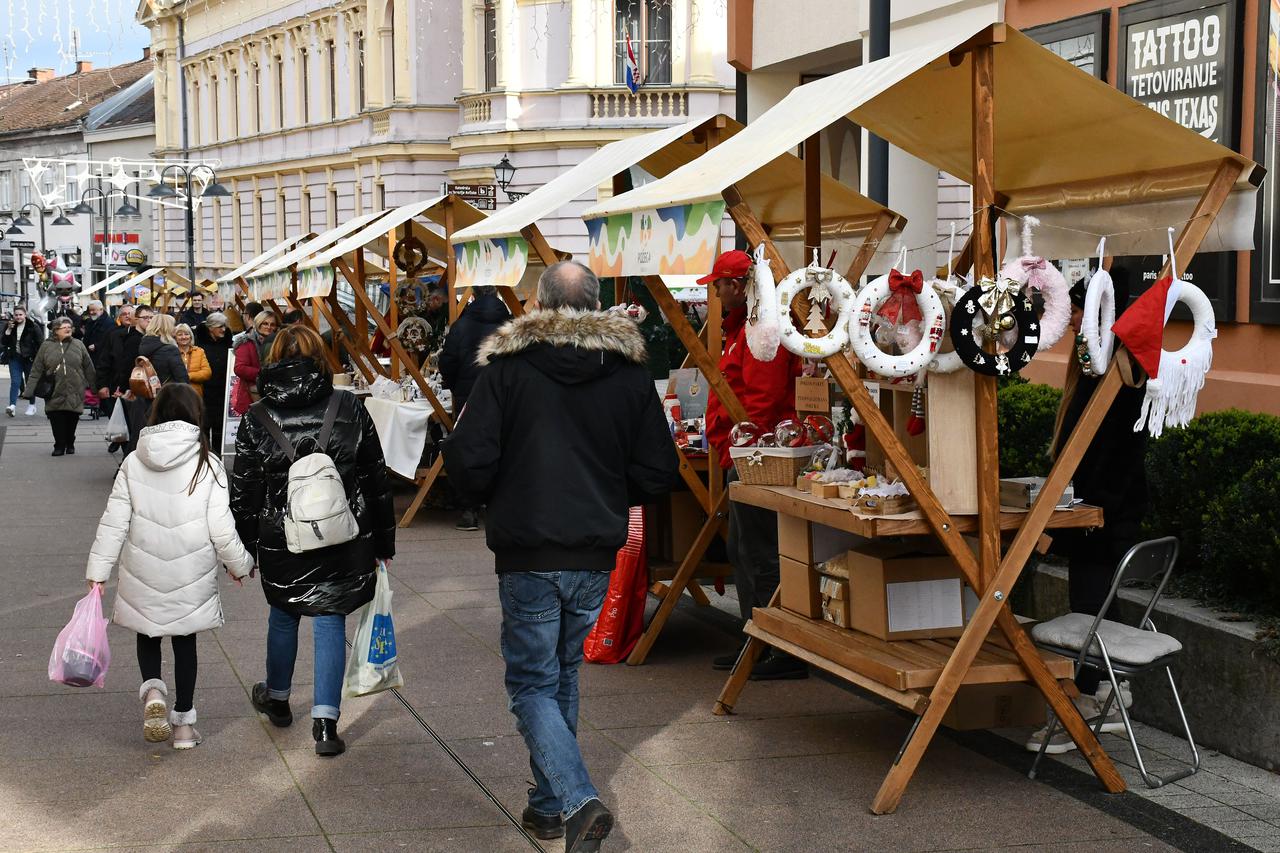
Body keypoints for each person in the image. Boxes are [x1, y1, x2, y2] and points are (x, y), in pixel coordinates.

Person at [442, 261, 678, 852]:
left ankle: (574, 801)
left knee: (531, 682)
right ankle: (550, 805)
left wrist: (488, 494)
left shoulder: (507, 371)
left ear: (539, 304)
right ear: (594, 304)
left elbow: (467, 459)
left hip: (528, 545)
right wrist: (607, 484)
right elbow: (659, 470)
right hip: (596, 544)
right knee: (561, 673)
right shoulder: (628, 375)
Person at [231, 325, 395, 757]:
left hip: (282, 534)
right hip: (342, 531)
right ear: (320, 358)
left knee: (284, 612)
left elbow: (244, 489)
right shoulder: (349, 406)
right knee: (330, 616)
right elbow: (376, 477)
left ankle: (279, 698)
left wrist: (247, 546)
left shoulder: (256, 416)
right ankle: (325, 724)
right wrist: (384, 542)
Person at [85, 383, 254, 749]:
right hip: (189, 569)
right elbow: (221, 527)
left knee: (147, 634)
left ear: (156, 413)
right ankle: (183, 727)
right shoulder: (207, 463)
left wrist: (98, 572)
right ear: (197, 415)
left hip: (143, 566)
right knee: (184, 641)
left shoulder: (133, 461)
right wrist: (239, 565)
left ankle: (153, 695)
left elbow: (114, 520)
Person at [1026, 267, 1144, 755]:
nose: (1071, 320)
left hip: (1104, 511)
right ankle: (1112, 696)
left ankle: (1094, 699)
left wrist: (1080, 504)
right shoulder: (1098, 368)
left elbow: (1112, 450)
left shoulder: (1122, 371)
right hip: (1096, 508)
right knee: (1096, 601)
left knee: (1089, 605)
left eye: (1076, 309)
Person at [702, 250, 805, 680]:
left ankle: (772, 644)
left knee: (758, 550)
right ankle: (757, 638)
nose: (715, 290)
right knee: (744, 549)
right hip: (746, 452)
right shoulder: (746, 327)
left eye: (720, 283)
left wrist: (748, 446)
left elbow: (761, 400)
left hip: (756, 456)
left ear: (738, 285)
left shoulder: (761, 331)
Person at [438, 286, 510, 531]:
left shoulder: (461, 325)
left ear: (474, 296)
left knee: (469, 447)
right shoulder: (511, 323)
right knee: (505, 445)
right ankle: (500, 504)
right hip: (505, 393)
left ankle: (469, 509)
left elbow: (447, 362)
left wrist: (454, 385)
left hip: (468, 395)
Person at [22, 317, 95, 456]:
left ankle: (70, 441)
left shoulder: (78, 344)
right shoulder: (46, 346)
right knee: (56, 418)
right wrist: (29, 391)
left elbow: (88, 367)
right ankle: (59, 445)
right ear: (55, 330)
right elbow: (36, 369)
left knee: (72, 417)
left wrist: (95, 388)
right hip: (54, 388)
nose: (68, 329)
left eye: (70, 327)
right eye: (64, 327)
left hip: (75, 388)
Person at [98, 304, 152, 455]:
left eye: (130, 314)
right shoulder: (114, 335)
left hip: (136, 386)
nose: (128, 316)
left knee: (133, 426)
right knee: (125, 423)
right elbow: (106, 360)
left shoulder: (148, 337)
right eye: (125, 314)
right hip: (119, 385)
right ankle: (123, 450)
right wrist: (102, 384)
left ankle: (126, 451)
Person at [197, 313, 234, 451]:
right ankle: (204, 455)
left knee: (220, 426)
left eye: (225, 326)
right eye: (220, 326)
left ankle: (218, 456)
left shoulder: (228, 343)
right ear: (210, 328)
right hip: (204, 391)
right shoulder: (199, 343)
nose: (224, 329)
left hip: (222, 391)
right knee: (204, 425)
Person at [231, 312, 277, 415]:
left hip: (273, 395)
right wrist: (264, 373)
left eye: (272, 324)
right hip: (251, 396)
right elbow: (240, 368)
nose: (269, 327)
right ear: (258, 324)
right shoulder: (246, 342)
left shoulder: (279, 343)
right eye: (265, 323)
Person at [3, 306, 44, 417]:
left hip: (29, 358)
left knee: (29, 382)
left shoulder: (33, 326)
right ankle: (12, 406)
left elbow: (41, 343)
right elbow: (4, 341)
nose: (18, 317)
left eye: (20, 314)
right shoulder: (10, 326)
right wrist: (8, 330)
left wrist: (39, 358)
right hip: (14, 358)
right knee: (15, 382)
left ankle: (32, 405)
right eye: (16, 315)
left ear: (25, 315)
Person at [174, 323, 213, 397]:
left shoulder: (199, 351)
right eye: (180, 334)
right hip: (176, 394)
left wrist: (188, 376)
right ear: (175, 338)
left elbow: (207, 373)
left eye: (186, 334)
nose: (184, 337)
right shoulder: (171, 352)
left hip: (195, 394)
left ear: (191, 336)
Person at [80, 300, 116, 368]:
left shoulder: (109, 323)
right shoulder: (89, 322)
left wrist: (97, 346)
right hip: (90, 359)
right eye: (90, 310)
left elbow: (111, 341)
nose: (91, 312)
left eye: (93, 310)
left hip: (102, 360)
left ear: (101, 309)